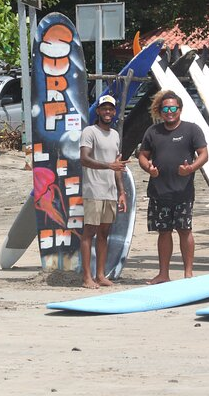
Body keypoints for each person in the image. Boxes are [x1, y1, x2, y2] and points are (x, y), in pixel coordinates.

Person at [138, 90, 208, 284]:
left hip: (183, 192)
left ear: (180, 109)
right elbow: (142, 155)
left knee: (185, 230)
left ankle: (188, 273)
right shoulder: (153, 131)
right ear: (160, 111)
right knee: (164, 232)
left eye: (173, 108)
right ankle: (163, 274)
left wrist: (191, 168)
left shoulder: (192, 129)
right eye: (165, 109)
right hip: (159, 192)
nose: (169, 112)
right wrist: (148, 168)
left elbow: (204, 154)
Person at [79, 95, 128, 289]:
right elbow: (84, 158)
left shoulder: (115, 135)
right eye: (104, 109)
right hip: (93, 189)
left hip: (110, 191)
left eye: (111, 109)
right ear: (98, 111)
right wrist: (109, 165)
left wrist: (122, 192)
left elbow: (117, 168)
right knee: (89, 233)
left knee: (104, 233)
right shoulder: (90, 131)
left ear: (114, 112)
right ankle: (86, 277)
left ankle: (100, 275)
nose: (108, 112)